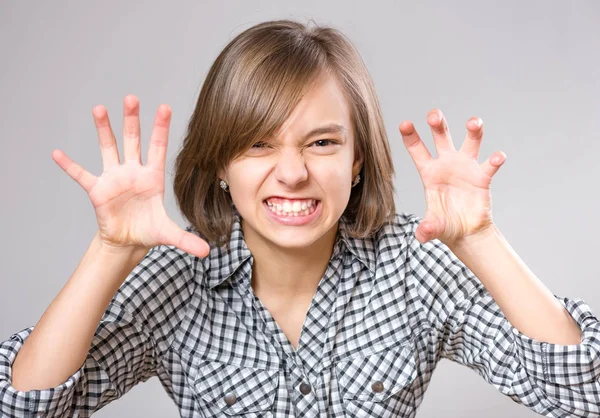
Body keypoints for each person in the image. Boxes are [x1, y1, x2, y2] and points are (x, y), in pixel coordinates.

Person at [1, 19, 598, 418]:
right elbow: (23, 407)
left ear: (358, 158)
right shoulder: (176, 282)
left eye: (321, 144)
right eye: (258, 145)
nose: (291, 173)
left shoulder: (413, 265)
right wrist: (110, 251)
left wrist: (482, 240)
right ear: (219, 164)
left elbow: (582, 392)